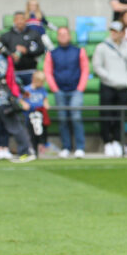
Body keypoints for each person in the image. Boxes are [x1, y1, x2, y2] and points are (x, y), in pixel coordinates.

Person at [43, 27, 89, 159]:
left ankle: (80, 147)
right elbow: (48, 71)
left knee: (76, 117)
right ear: (57, 37)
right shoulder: (52, 53)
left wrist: (80, 88)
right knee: (63, 119)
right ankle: (66, 147)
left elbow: (85, 70)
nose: (63, 36)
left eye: (65, 34)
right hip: (60, 91)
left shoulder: (79, 51)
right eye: (60, 34)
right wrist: (55, 89)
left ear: (69, 36)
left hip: (76, 90)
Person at [92, 21, 127, 157]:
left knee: (120, 116)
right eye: (112, 30)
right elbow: (97, 66)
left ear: (122, 33)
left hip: (122, 86)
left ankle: (117, 141)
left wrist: (126, 79)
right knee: (106, 115)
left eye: (117, 31)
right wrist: (109, 78)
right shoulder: (102, 47)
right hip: (107, 85)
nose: (114, 33)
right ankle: (107, 142)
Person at [0, 40, 36, 162]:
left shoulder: (1, 57)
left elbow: (2, 75)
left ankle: (26, 152)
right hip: (2, 98)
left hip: (3, 98)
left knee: (14, 126)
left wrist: (19, 92)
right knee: (3, 126)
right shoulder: (4, 56)